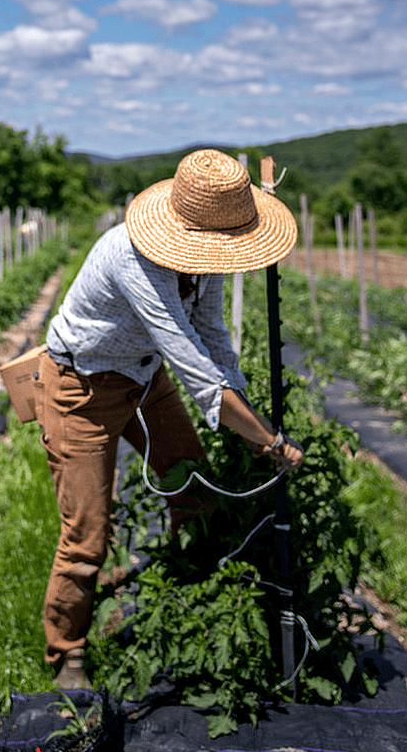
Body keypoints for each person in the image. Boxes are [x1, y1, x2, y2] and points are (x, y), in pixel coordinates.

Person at [38, 149, 303, 690]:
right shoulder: (132, 258)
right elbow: (191, 361)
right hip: (81, 386)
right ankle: (67, 654)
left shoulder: (204, 262)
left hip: (143, 376)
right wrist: (270, 441)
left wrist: (247, 411)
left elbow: (214, 338)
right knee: (88, 535)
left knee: (195, 489)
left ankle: (191, 587)